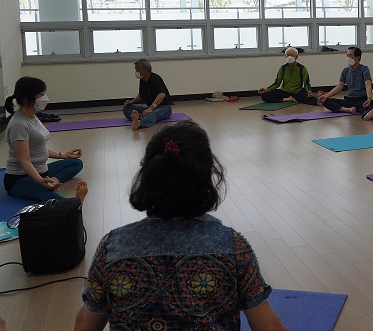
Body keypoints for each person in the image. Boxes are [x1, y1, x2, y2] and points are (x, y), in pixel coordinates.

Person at [74, 121, 288, 330]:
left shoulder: (112, 247)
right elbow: (268, 326)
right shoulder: (234, 248)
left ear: (147, 175)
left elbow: (85, 325)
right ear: (210, 173)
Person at [3, 77, 88, 203]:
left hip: (42, 170)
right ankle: (75, 204)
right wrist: (40, 181)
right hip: (20, 178)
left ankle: (54, 181)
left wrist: (63, 155)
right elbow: (24, 160)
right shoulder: (18, 124)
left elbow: (38, 147)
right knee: (45, 191)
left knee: (76, 163)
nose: (45, 98)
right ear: (27, 99)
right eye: (41, 94)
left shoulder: (32, 117)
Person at [318, 46, 373, 120]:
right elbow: (339, 87)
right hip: (349, 100)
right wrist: (326, 96)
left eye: (350, 55)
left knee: (370, 103)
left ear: (357, 57)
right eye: (347, 56)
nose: (348, 58)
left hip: (361, 99)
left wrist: (369, 98)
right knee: (325, 101)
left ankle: (367, 115)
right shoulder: (345, 71)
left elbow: (368, 85)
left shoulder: (364, 69)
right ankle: (348, 109)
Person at [123, 58, 173, 130]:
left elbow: (162, 95)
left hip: (164, 108)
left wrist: (151, 109)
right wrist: (132, 102)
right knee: (127, 108)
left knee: (153, 114)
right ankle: (141, 116)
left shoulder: (155, 79)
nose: (136, 72)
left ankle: (139, 124)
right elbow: (141, 94)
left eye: (137, 70)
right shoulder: (142, 79)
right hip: (151, 107)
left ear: (145, 70)